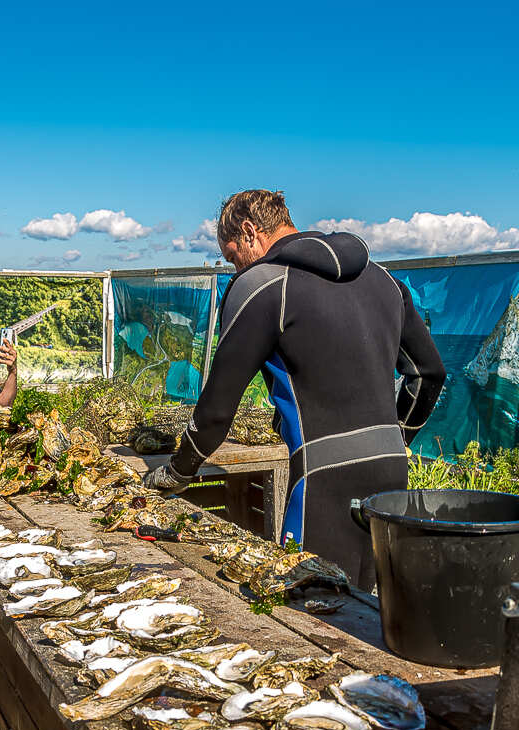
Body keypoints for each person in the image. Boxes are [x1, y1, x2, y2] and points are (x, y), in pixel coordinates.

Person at [142, 189, 447, 589]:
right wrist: (397, 436)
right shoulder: (384, 280)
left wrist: (177, 472)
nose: (235, 268)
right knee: (370, 611)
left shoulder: (262, 285)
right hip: (391, 471)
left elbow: (216, 410)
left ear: (249, 232)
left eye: (232, 256)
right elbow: (429, 373)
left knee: (308, 609)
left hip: (321, 481)